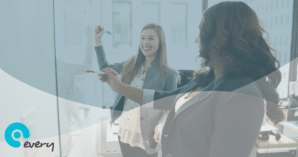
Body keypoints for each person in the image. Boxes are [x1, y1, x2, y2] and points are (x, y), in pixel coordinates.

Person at [99, 2, 285, 157]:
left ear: (220, 38)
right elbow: (163, 98)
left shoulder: (242, 95)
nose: (197, 39)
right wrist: (120, 88)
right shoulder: (206, 80)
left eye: (201, 31)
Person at [94, 23, 179, 157]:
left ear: (160, 42)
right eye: (142, 38)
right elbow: (105, 67)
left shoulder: (170, 74)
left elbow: (170, 108)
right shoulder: (131, 63)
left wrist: (161, 125)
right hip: (125, 132)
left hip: (147, 137)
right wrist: (98, 40)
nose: (145, 42)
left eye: (151, 38)